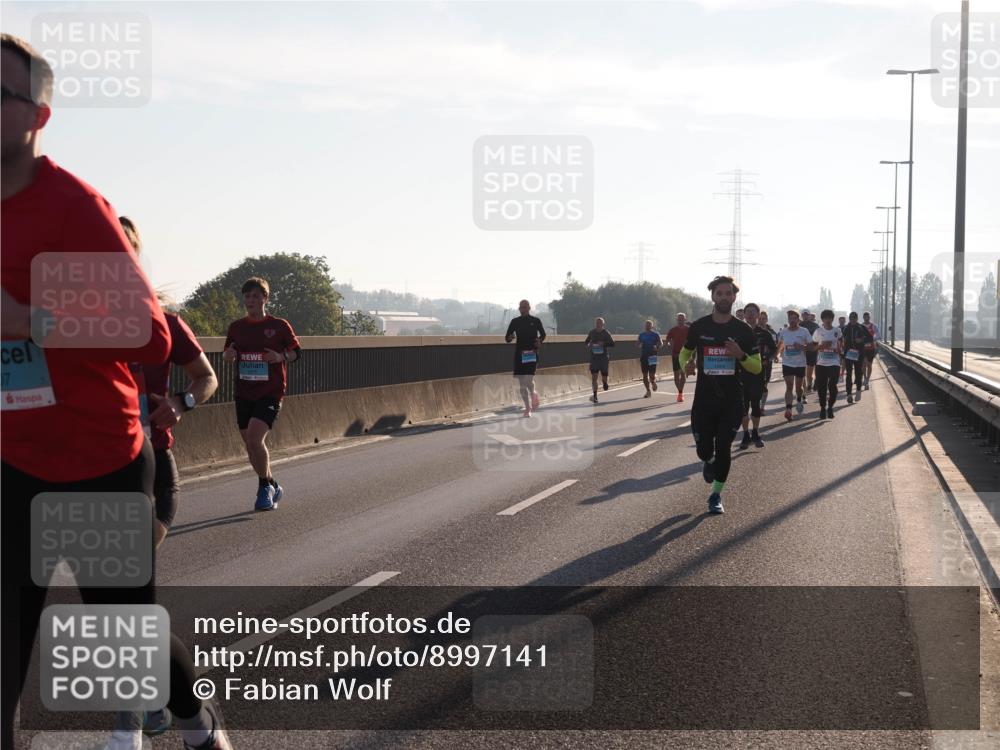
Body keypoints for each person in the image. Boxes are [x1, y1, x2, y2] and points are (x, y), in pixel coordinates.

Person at [0, 33, 232, 750]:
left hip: (98, 459)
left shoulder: (71, 206)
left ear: (37, 118)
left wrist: (28, 320)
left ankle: (195, 724)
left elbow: (149, 336)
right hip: (12, 462)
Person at [121, 217, 218, 550]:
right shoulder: (74, 324)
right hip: (95, 461)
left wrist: (180, 403)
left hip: (154, 455)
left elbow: (207, 378)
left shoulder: (167, 325)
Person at [678, 276, 761, 515]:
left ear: (734, 297)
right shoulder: (700, 327)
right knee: (704, 450)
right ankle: (709, 461)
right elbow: (685, 354)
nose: (724, 297)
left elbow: (756, 367)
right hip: (704, 399)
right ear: (713, 296)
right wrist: (687, 365)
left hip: (732, 399)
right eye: (720, 293)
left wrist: (740, 355)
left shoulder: (742, 330)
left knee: (724, 446)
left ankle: (715, 495)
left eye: (728, 293)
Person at [223, 277, 301, 512]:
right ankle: (273, 484)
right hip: (244, 391)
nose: (251, 301)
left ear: (265, 298)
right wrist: (228, 356)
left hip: (270, 392)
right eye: (247, 296)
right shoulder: (237, 327)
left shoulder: (279, 326)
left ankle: (264, 487)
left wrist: (280, 357)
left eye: (256, 296)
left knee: (256, 439)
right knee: (250, 445)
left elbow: (296, 352)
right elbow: (228, 352)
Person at [738, 303, 774, 448]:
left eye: (754, 312)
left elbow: (773, 350)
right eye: (748, 312)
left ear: (759, 315)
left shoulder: (765, 333)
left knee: (756, 405)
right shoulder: (738, 332)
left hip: (758, 373)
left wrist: (766, 360)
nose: (751, 315)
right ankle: (745, 435)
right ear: (744, 315)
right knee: (742, 406)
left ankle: (756, 432)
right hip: (740, 374)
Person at [505, 300, 546, 416]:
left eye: (524, 307)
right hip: (520, 355)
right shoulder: (515, 322)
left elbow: (543, 334)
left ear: (529, 308)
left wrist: (540, 340)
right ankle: (527, 408)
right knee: (522, 383)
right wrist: (511, 337)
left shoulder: (535, 321)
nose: (522, 309)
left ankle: (533, 393)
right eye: (521, 307)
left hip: (532, 353)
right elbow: (507, 338)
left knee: (528, 380)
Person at [777, 310, 812, 421]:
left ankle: (799, 400)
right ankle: (788, 410)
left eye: (794, 318)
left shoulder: (804, 331)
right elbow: (780, 344)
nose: (792, 320)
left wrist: (802, 347)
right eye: (790, 318)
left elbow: (811, 347)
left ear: (798, 319)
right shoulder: (783, 332)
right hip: (787, 363)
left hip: (800, 364)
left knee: (798, 387)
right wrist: (776, 355)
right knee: (789, 386)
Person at [812, 309, 843, 419]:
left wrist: (839, 349)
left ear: (832, 319)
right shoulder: (818, 332)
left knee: (832, 386)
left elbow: (841, 342)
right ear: (822, 319)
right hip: (821, 364)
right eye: (825, 318)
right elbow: (813, 347)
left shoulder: (837, 330)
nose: (828, 320)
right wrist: (820, 347)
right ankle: (822, 408)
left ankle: (830, 407)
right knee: (822, 387)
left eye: (830, 318)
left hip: (834, 362)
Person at [842, 311, 873, 404]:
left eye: (854, 318)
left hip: (859, 353)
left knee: (858, 372)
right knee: (848, 374)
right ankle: (849, 394)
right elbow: (841, 338)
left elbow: (870, 338)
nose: (852, 320)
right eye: (851, 318)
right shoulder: (846, 328)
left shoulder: (861, 327)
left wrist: (862, 340)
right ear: (849, 319)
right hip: (848, 353)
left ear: (857, 319)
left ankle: (858, 391)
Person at [584, 317, 615, 403]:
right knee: (594, 378)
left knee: (604, 377)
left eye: (600, 323)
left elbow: (613, 344)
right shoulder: (592, 332)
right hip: (594, 359)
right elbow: (586, 342)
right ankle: (595, 396)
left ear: (603, 324)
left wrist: (604, 343)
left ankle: (605, 383)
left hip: (603, 359)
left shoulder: (606, 333)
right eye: (597, 323)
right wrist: (589, 344)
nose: (598, 324)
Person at [665, 313, 691, 402]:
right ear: (677, 320)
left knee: (683, 373)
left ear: (685, 320)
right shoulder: (673, 330)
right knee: (676, 374)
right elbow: (667, 340)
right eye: (679, 319)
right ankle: (680, 391)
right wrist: (669, 345)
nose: (680, 321)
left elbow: (692, 340)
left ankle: (680, 393)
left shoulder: (688, 329)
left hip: (684, 354)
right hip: (675, 354)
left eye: (682, 319)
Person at [637, 320, 662, 398]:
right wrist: (640, 345)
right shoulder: (641, 335)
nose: (648, 326)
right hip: (644, 356)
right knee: (644, 376)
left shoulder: (655, 334)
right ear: (645, 326)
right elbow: (638, 344)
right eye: (646, 325)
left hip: (652, 357)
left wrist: (657, 347)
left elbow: (661, 343)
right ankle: (648, 391)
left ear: (652, 326)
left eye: (649, 325)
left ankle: (653, 382)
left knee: (651, 375)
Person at [758, 310, 778, 408]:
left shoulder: (771, 332)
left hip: (766, 362)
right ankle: (756, 405)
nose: (761, 321)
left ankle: (762, 406)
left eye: (764, 319)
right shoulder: (750, 330)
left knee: (764, 385)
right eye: (760, 318)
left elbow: (775, 348)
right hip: (753, 361)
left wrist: (771, 358)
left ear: (767, 319)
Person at [799, 308, 819, 392]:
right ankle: (805, 385)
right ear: (802, 315)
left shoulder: (815, 325)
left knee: (810, 368)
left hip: (812, 349)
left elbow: (819, 337)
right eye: (804, 314)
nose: (805, 316)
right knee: (802, 369)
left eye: (807, 314)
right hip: (801, 350)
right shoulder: (798, 325)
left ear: (809, 315)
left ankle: (810, 383)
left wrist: (815, 347)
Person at [861, 311, 879, 389]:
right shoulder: (861, 326)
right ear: (863, 317)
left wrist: (872, 338)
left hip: (871, 348)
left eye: (867, 317)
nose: (866, 318)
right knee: (863, 364)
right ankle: (865, 378)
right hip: (862, 348)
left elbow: (878, 335)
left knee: (869, 364)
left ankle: (868, 379)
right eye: (865, 317)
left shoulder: (873, 326)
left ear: (869, 317)